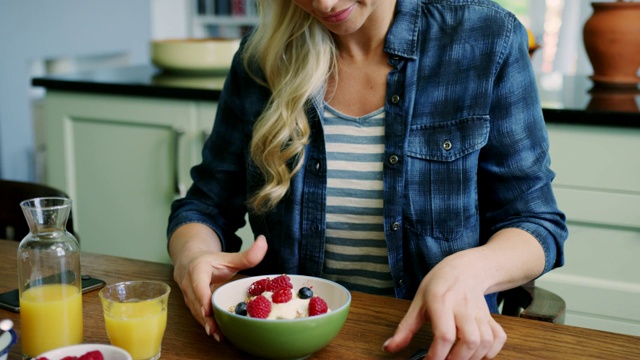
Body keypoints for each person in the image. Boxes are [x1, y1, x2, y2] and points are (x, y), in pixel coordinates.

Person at [167, 0, 568, 359]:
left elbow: (536, 222)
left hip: (435, 346)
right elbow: (206, 204)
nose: (323, 4)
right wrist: (192, 257)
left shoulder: (486, 38)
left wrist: (473, 269)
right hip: (284, 345)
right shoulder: (261, 57)